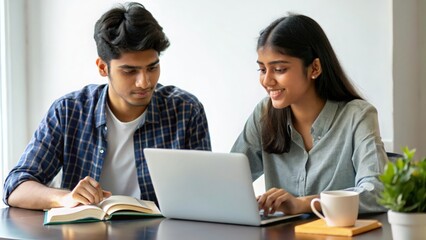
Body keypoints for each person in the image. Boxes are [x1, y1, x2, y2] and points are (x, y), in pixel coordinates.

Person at [3, 2, 211, 210]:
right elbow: (15, 187)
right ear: (103, 67)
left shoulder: (186, 110)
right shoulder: (69, 111)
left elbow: (205, 193)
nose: (145, 82)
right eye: (130, 71)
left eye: (152, 67)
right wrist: (64, 198)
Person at [231, 14, 388, 216]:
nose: (267, 81)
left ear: (314, 67)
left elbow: (377, 191)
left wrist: (304, 204)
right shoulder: (264, 114)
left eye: (279, 69)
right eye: (262, 69)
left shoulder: (357, 116)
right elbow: (228, 181)